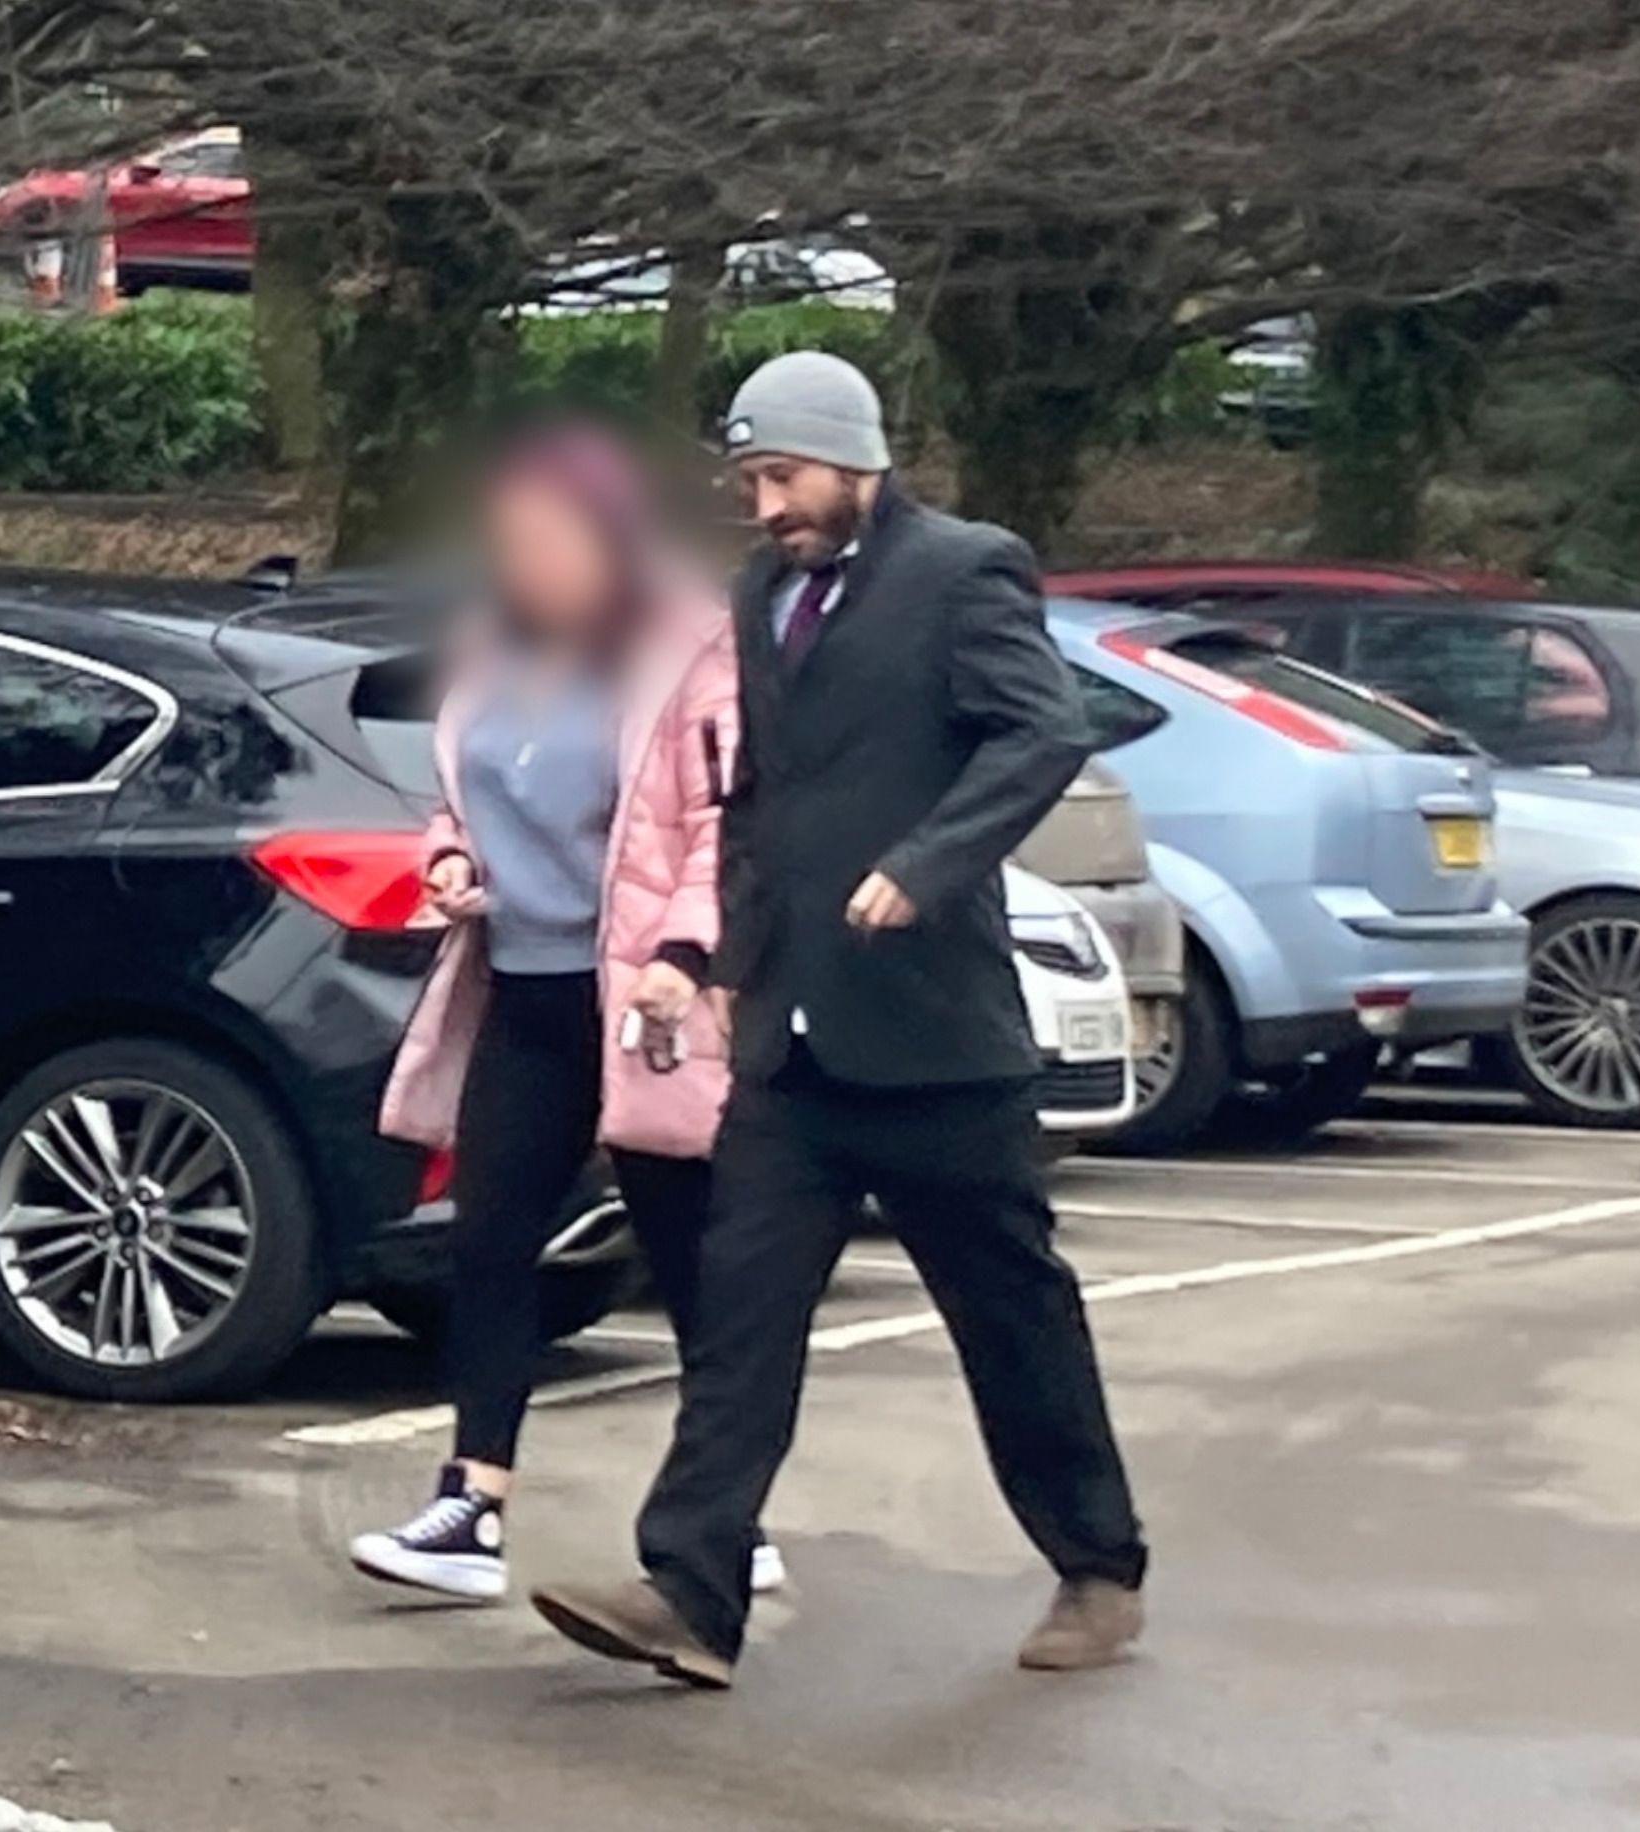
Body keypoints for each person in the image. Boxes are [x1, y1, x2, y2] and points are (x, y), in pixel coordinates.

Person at [529, 353, 1149, 1688]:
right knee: (740, 1321)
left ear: (857, 458)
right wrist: (702, 951)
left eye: (786, 476)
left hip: (936, 1050)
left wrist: (926, 868)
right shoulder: (761, 597)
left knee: (1013, 1317)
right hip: (791, 1050)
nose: (767, 504)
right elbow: (760, 801)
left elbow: (1038, 736)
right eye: (751, 480)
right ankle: (690, 1596)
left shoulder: (964, 570)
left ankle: (1099, 1567)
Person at [350, 424, 759, 1604]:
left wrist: (686, 953)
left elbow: (720, 828)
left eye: (548, 538)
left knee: (687, 1252)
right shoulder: (495, 650)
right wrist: (446, 862)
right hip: (519, 987)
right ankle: (472, 1501)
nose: (524, 561)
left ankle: (726, 1498)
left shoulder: (686, 653)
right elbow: (458, 794)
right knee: (488, 1240)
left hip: (641, 998)